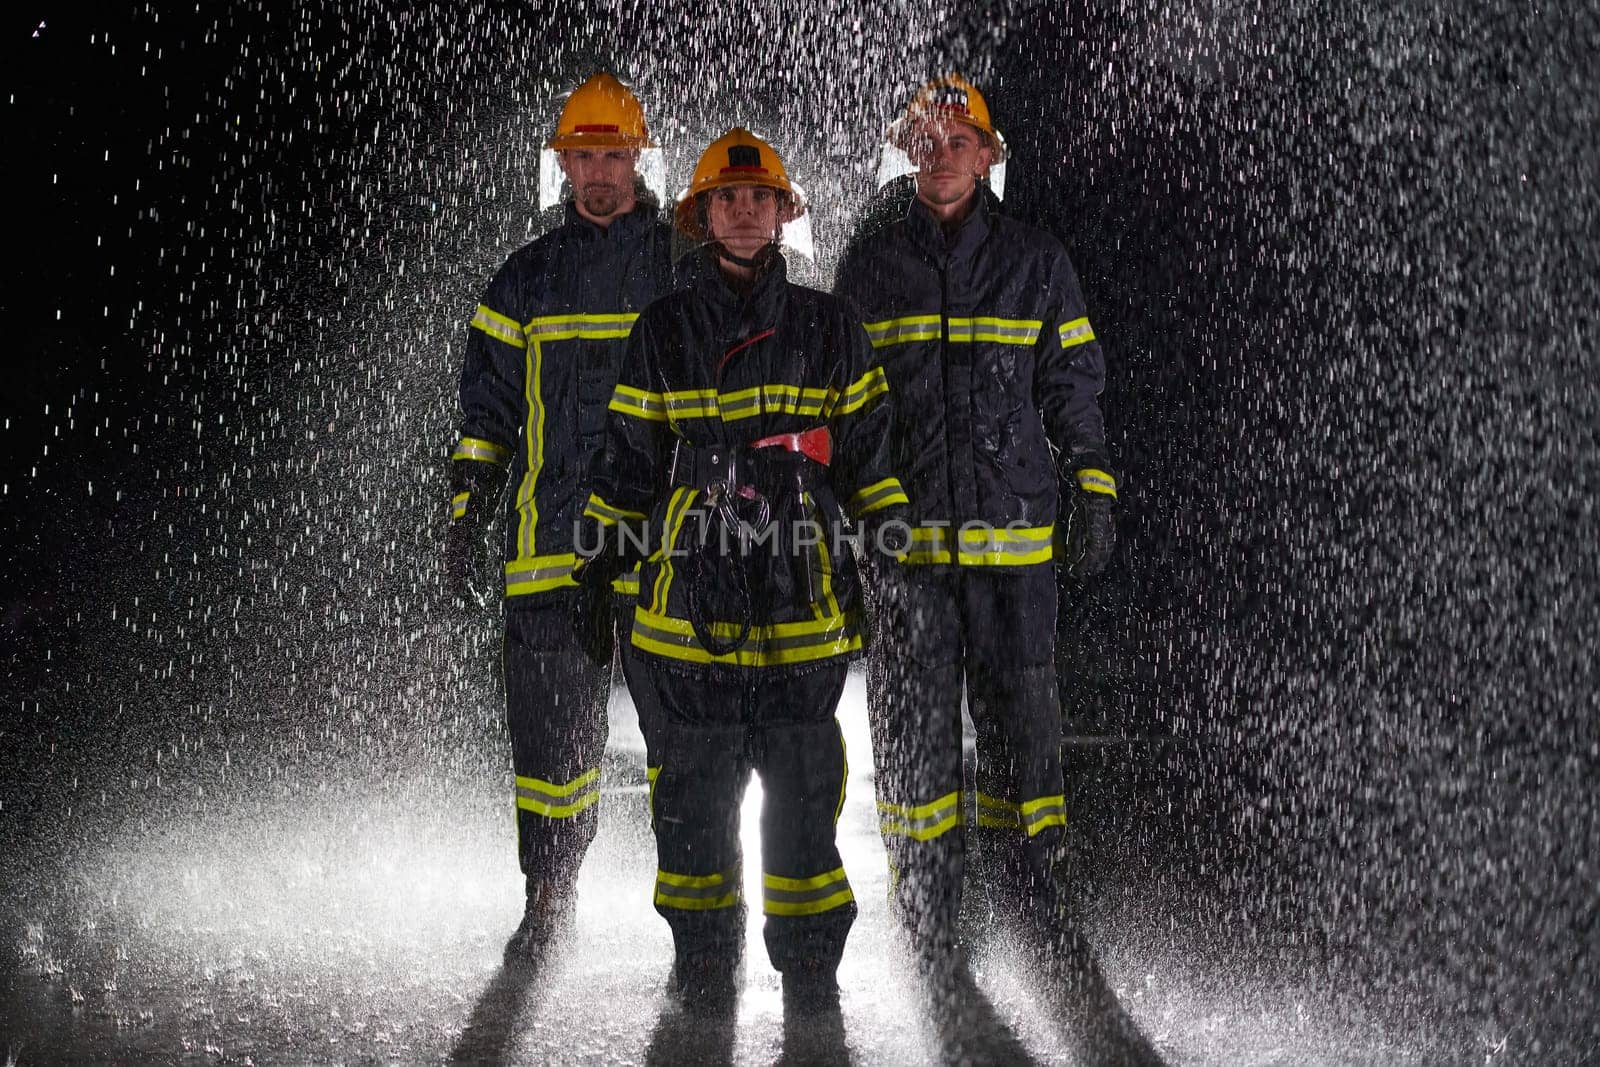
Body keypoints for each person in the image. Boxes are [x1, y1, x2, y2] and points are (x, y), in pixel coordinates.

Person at [577, 128, 908, 1011]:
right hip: (687, 606)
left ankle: (809, 967)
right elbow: (628, 463)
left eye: (760, 199)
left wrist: (888, 561)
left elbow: (870, 462)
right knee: (691, 795)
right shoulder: (664, 329)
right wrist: (596, 572)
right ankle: (703, 957)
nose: (745, 211)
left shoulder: (831, 327)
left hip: (800, 595)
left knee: (805, 792)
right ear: (702, 216)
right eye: (727, 199)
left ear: (784, 213)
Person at [832, 74, 1118, 967]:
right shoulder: (871, 267)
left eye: (959, 141)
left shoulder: (1037, 262)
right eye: (925, 140)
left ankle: (1032, 890)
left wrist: (1094, 488)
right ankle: (927, 906)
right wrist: (842, 535)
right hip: (904, 554)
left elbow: (1073, 387)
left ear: (990, 156)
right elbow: (845, 412)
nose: (941, 154)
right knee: (911, 739)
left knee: (1022, 731)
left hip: (1013, 550)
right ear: (906, 153)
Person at [442, 72, 676, 964]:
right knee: (550, 751)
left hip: (663, 546)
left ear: (637, 157)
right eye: (584, 156)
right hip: (550, 550)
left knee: (685, 743)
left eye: (613, 154)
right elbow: (485, 416)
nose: (600, 173)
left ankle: (698, 915)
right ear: (562, 164)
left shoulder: (678, 266)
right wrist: (467, 510)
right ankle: (549, 900)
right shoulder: (524, 280)